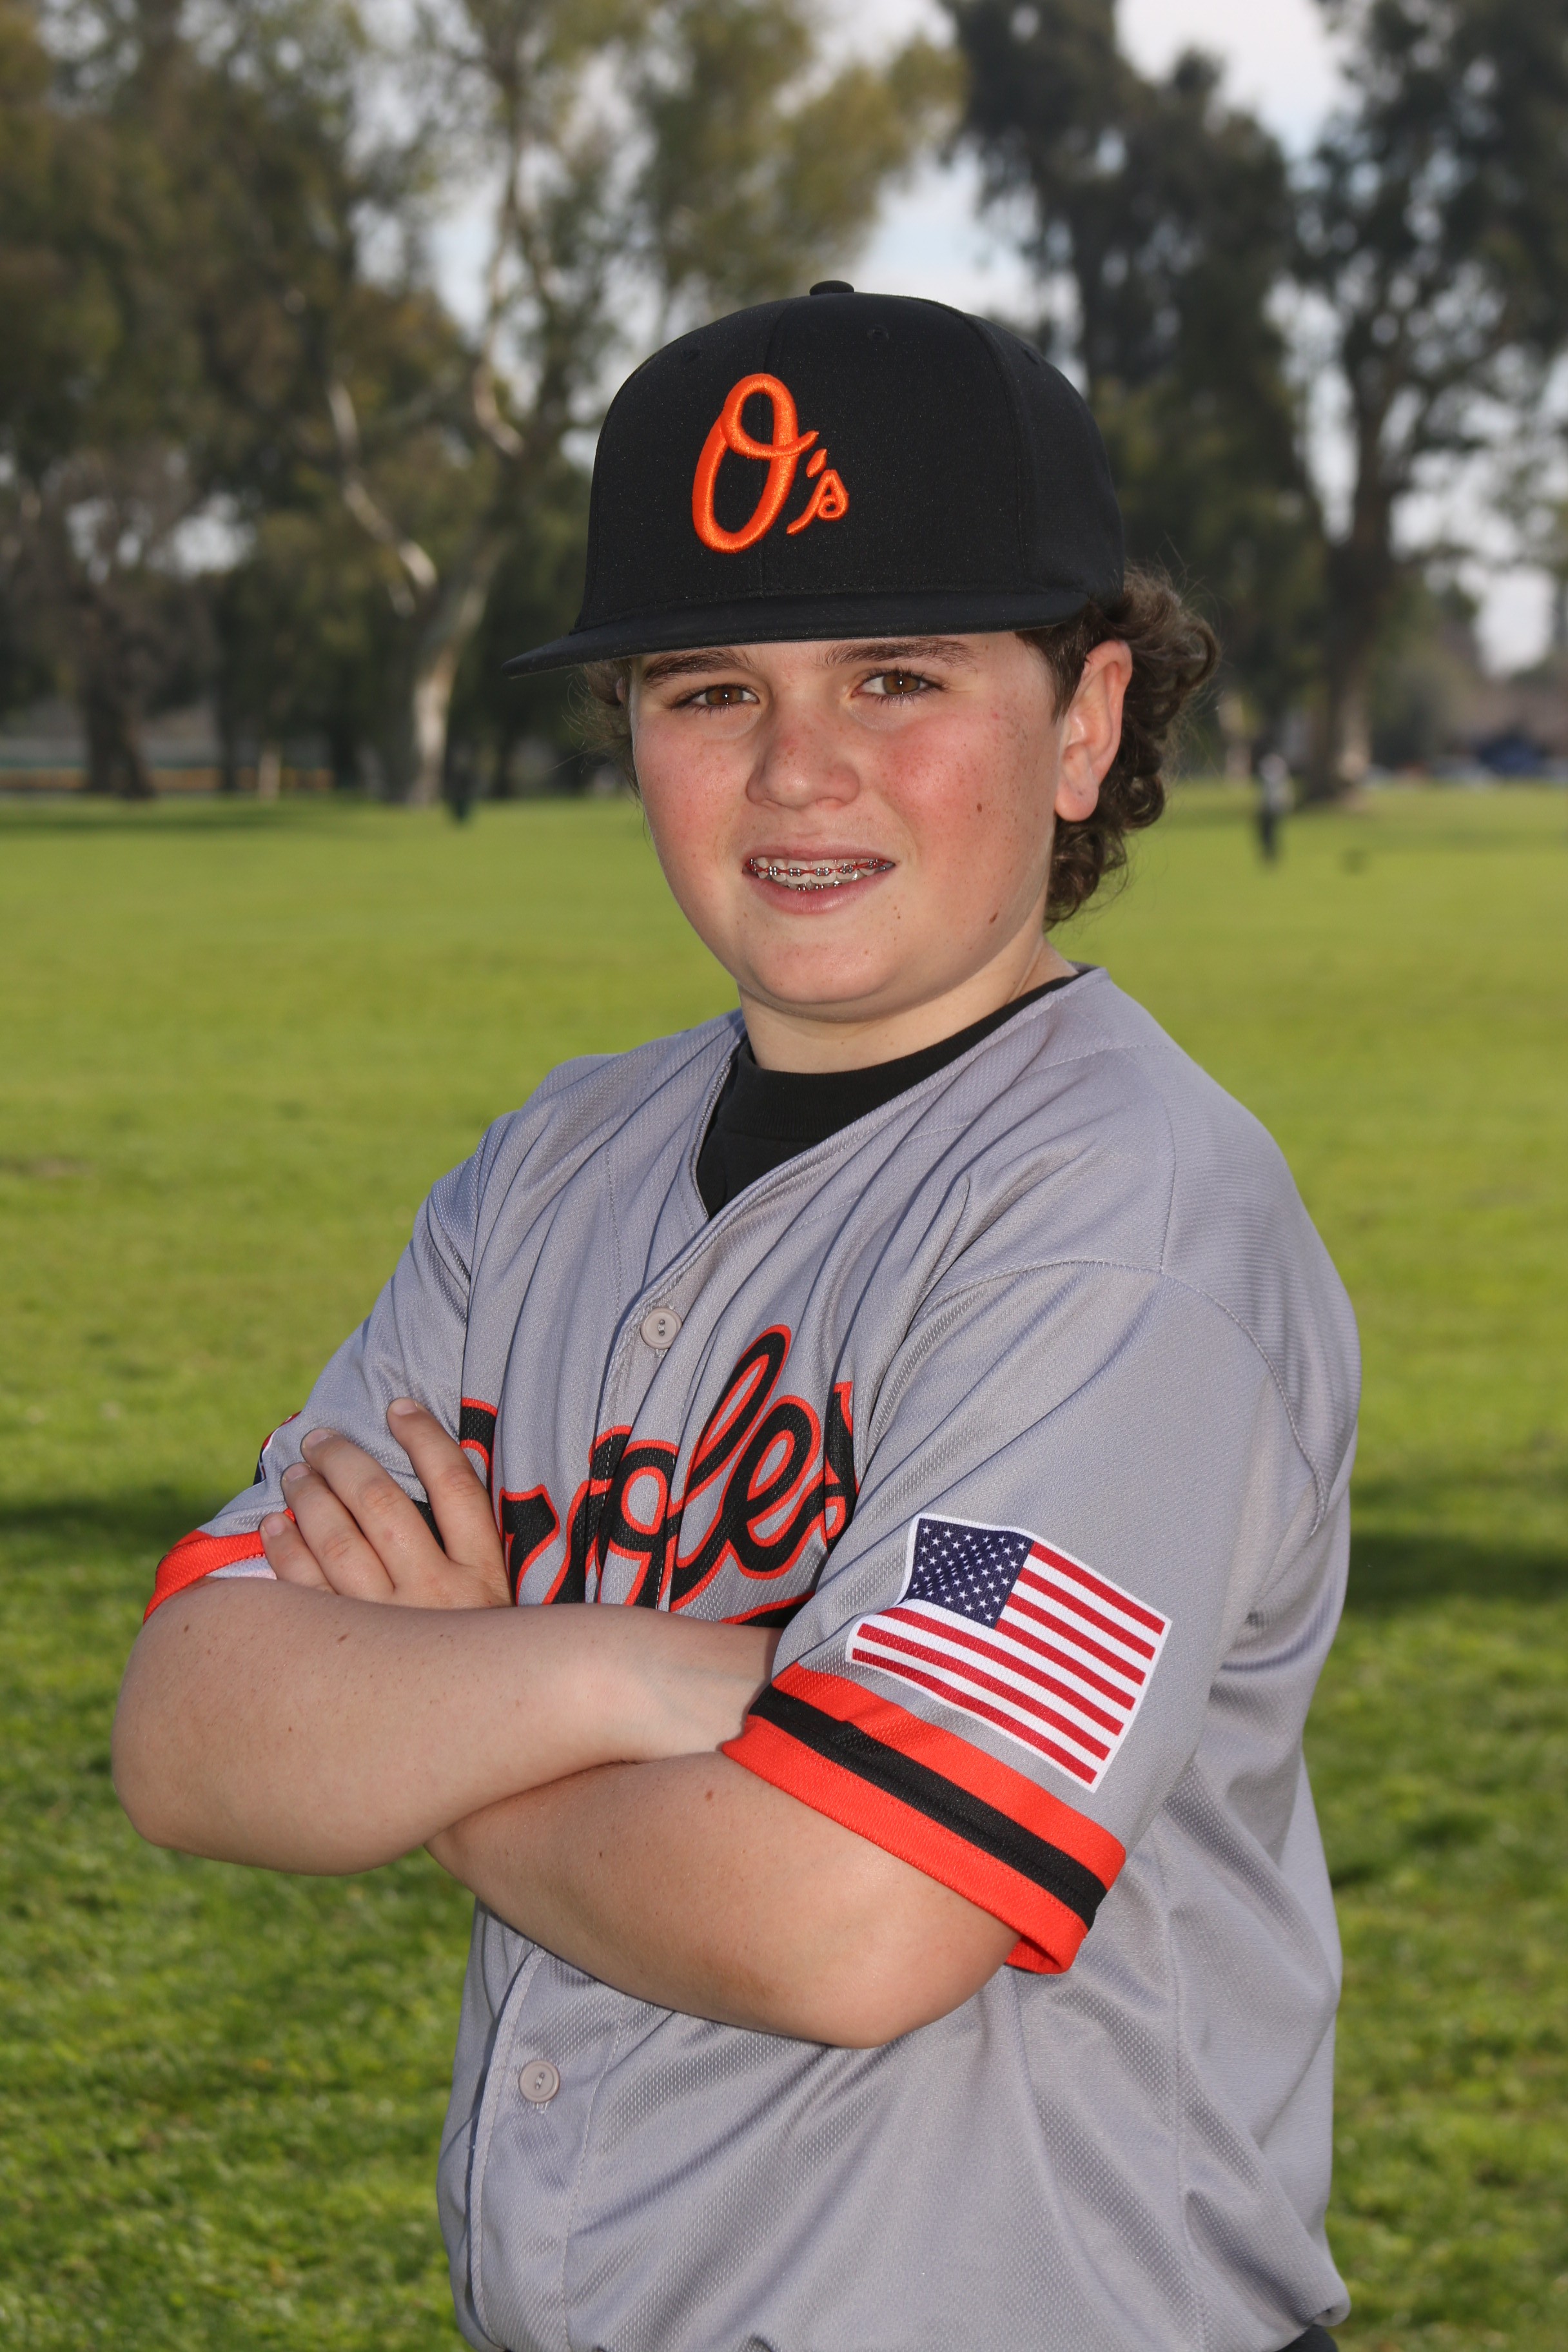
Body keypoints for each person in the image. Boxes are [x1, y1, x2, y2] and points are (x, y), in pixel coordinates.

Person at [113, 284, 1357, 2352]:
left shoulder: (1124, 1241)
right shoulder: (549, 1173)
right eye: (710, 688)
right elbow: (193, 1729)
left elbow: (852, 1916)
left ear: (1085, 721)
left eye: (896, 675)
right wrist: (641, 1672)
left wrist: (443, 1723)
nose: (799, 768)